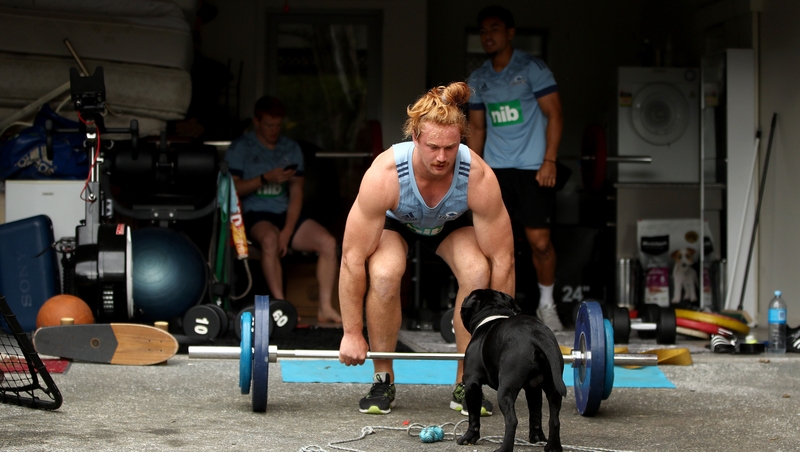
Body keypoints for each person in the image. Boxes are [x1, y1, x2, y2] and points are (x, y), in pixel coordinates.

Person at [337, 82, 515, 415]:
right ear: (415, 137)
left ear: (460, 138)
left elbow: (503, 259)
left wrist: (499, 338)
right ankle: (382, 379)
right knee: (386, 274)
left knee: (478, 271)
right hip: (398, 222)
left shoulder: (477, 176)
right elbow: (352, 258)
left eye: (450, 147)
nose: (442, 157)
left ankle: (468, 383)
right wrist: (351, 332)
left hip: (450, 223)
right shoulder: (385, 175)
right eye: (433, 146)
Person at [466, 5, 565, 332]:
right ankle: (494, 310)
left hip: (533, 169)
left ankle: (547, 304)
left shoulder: (532, 68)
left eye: (494, 28)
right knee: (491, 244)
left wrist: (549, 160)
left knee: (539, 242)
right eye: (483, 31)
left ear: (510, 33)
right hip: (496, 172)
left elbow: (556, 114)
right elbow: (477, 129)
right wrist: (472, 172)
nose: (487, 36)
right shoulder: (479, 77)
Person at [225, 96, 342, 324]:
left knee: (328, 243)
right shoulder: (242, 147)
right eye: (269, 125)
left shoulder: (291, 147)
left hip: (286, 214)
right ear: (256, 122)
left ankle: (325, 308)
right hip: (255, 215)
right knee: (269, 240)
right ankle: (283, 309)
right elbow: (232, 188)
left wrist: (288, 231)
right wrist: (264, 179)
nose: (274, 130)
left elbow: (297, 192)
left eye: (278, 125)